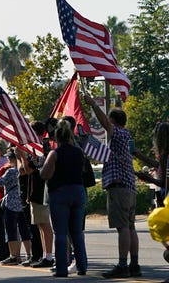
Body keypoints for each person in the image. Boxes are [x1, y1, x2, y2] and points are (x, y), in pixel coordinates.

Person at [84, 94, 141, 278]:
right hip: (129, 186)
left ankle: (122, 266)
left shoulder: (117, 133)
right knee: (130, 227)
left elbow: (105, 124)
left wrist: (92, 103)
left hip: (118, 186)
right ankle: (134, 264)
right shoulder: (127, 135)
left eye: (109, 120)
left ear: (113, 121)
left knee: (122, 227)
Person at [40, 119, 88, 277]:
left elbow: (45, 174)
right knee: (77, 232)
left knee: (60, 233)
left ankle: (61, 269)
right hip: (78, 191)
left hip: (60, 193)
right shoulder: (79, 152)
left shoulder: (55, 153)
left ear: (57, 138)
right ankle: (82, 266)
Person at [17, 121, 53, 268]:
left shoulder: (42, 148)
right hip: (34, 191)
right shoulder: (36, 148)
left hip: (41, 190)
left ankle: (49, 256)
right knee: (39, 225)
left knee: (44, 224)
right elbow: (23, 170)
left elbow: (28, 169)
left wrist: (21, 156)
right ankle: (45, 255)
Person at [0, 150, 32, 266]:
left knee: (11, 231)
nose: (8, 160)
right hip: (21, 203)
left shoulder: (10, 172)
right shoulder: (23, 170)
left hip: (11, 204)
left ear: (14, 159)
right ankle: (28, 254)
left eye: (9, 158)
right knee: (24, 230)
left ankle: (14, 255)